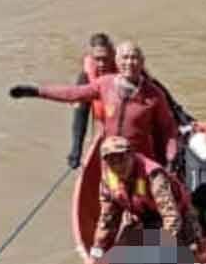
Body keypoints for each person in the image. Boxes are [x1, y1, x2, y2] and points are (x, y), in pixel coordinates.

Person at [11, 40, 180, 167]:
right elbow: (72, 94)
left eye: (134, 58)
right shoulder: (104, 84)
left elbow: (168, 128)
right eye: (125, 58)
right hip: (111, 159)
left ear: (142, 62)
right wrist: (36, 91)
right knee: (110, 203)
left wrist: (171, 156)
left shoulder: (154, 93)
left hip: (140, 161)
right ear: (118, 61)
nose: (129, 63)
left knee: (144, 203)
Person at [67, 33, 195, 170]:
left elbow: (158, 92)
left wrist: (180, 115)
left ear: (114, 55)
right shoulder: (86, 76)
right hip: (108, 128)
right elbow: (81, 114)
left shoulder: (129, 68)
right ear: (91, 57)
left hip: (138, 126)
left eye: (105, 59)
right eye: (97, 59)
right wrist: (76, 149)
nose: (101, 64)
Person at [90, 135, 201, 259]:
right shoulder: (108, 179)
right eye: (112, 162)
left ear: (131, 155)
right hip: (145, 218)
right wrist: (98, 248)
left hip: (179, 219)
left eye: (122, 159)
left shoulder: (153, 175)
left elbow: (172, 217)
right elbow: (108, 219)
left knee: (186, 254)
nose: (118, 166)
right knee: (120, 255)